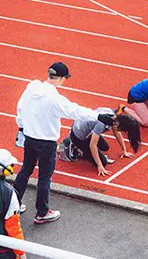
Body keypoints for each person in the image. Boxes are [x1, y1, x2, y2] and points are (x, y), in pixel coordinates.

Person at [14, 62, 117, 224]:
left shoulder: (30, 89)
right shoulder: (55, 98)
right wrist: (98, 117)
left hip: (29, 137)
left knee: (25, 170)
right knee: (44, 177)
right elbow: (75, 110)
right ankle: (42, 212)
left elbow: (19, 109)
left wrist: (22, 126)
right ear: (61, 78)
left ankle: (14, 205)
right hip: (46, 142)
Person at [59, 106, 141, 176]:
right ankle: (73, 146)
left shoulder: (112, 116)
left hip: (84, 128)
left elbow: (117, 133)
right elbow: (92, 145)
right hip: (79, 136)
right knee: (103, 162)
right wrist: (99, 166)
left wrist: (124, 151)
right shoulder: (101, 124)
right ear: (119, 124)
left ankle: (76, 142)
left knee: (105, 147)